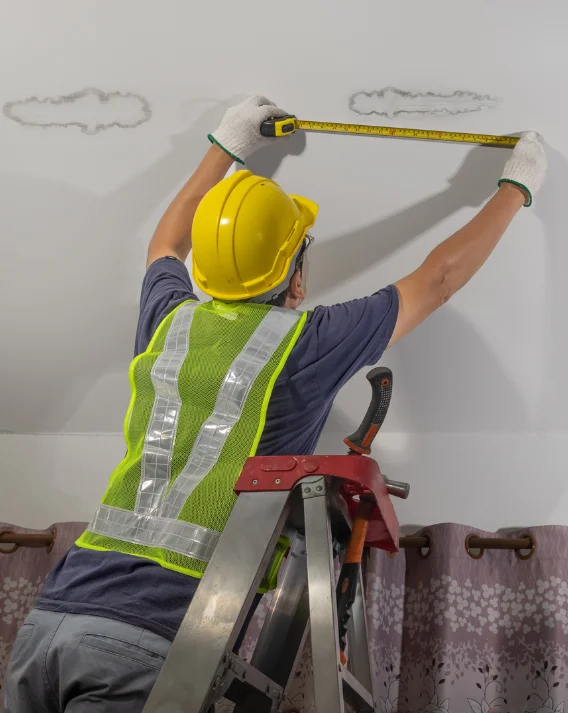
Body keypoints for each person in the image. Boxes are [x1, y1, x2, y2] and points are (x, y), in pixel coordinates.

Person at [4, 96, 547, 712]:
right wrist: (517, 186)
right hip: (148, 639)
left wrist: (227, 145)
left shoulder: (169, 320)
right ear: (296, 278)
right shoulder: (305, 343)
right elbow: (437, 281)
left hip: (49, 624)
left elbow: (164, 242)